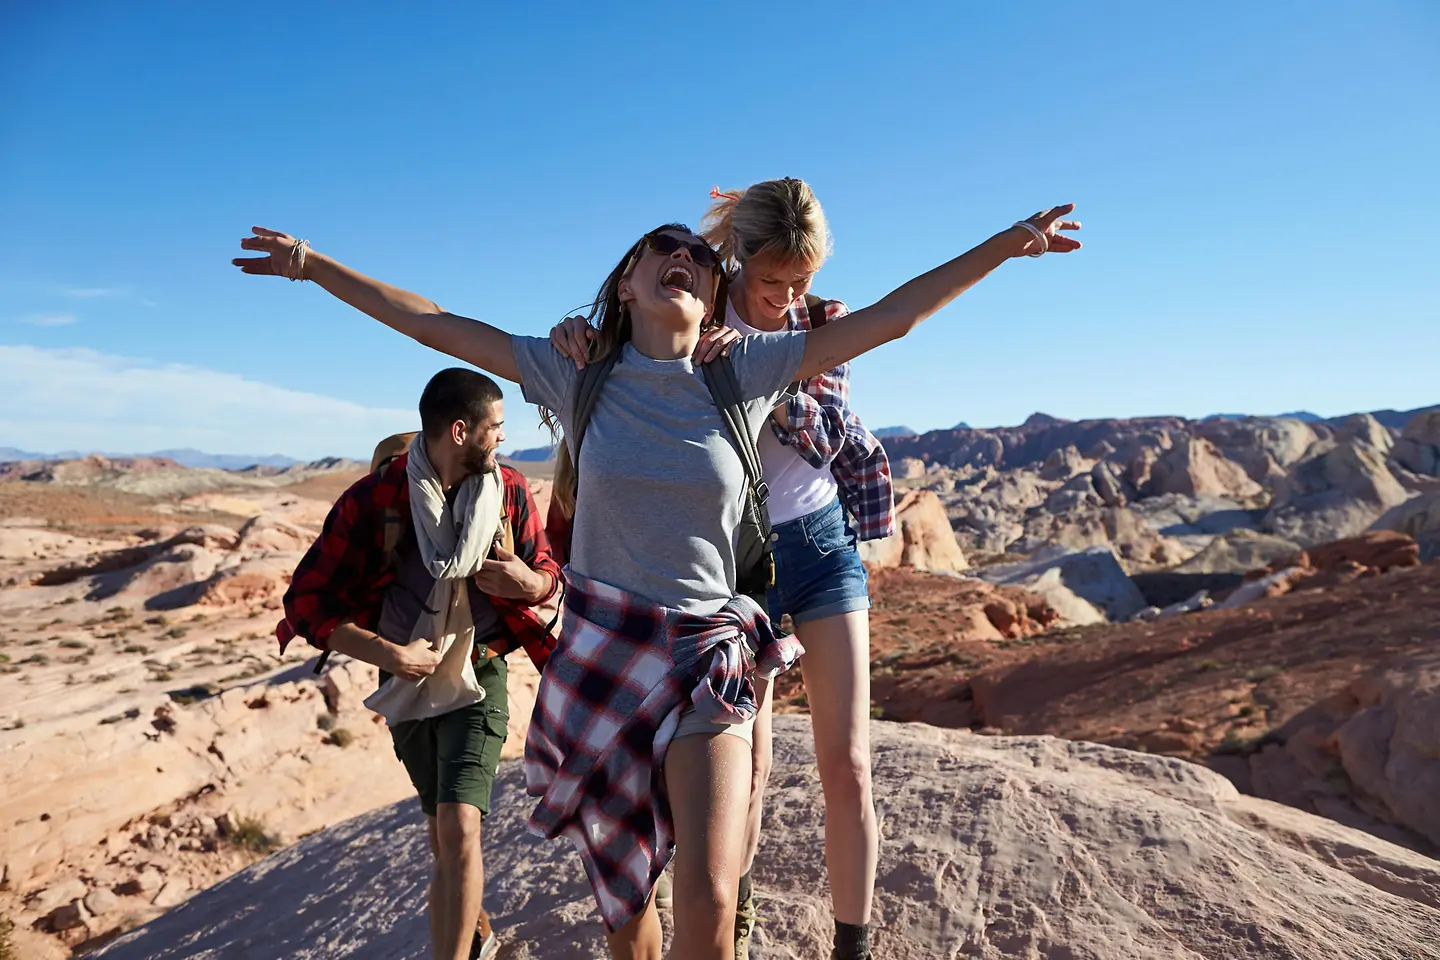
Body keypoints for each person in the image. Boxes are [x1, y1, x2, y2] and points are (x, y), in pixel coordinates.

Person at [233, 202, 1079, 960]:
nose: (684, 257)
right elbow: (434, 326)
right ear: (627, 285)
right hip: (604, 651)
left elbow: (894, 319)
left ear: (713, 296)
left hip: (706, 652)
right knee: (627, 905)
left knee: (710, 901)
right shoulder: (577, 374)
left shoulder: (740, 372)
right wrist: (314, 266)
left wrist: (1009, 244)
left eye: (698, 257)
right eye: (660, 250)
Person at [547, 177, 895, 960]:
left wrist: (758, 379)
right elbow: (628, 364)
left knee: (849, 762)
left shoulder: (815, 323)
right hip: (741, 565)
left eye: (801, 279)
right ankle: (727, 920)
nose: (787, 295)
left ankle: (852, 944)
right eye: (772, 280)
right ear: (739, 259)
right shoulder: (696, 300)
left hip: (823, 543)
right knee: (756, 762)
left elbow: (828, 436)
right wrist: (580, 330)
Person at [275, 367, 562, 960]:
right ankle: (472, 930)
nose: (504, 439)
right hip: (405, 684)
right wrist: (391, 654)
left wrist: (527, 582)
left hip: (478, 674)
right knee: (442, 836)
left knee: (459, 824)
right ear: (460, 432)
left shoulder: (507, 490)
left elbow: (547, 574)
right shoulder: (373, 500)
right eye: (497, 427)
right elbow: (305, 603)